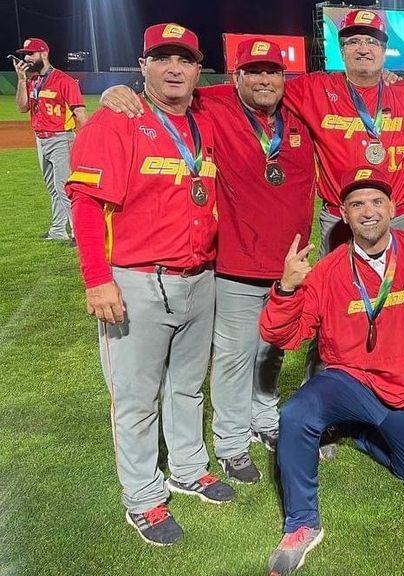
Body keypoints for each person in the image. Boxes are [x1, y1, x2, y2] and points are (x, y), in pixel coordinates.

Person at [97, 38, 317, 484]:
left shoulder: (300, 115)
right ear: (234, 77)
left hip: (290, 264)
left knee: (272, 349)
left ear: (284, 78)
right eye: (252, 71)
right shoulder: (212, 106)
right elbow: (167, 91)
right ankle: (232, 441)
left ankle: (263, 418)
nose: (263, 80)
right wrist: (113, 92)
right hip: (235, 263)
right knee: (235, 356)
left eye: (271, 71)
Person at [64, 22, 234, 547]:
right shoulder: (118, 118)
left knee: (186, 386)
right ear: (143, 67)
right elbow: (87, 204)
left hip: (198, 276)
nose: (175, 68)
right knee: (135, 398)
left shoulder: (205, 115)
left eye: (184, 59)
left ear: (199, 67)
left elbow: (263, 88)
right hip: (137, 280)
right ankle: (142, 496)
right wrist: (97, 281)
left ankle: (187, 466)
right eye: (162, 59)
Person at [259, 167, 404, 576]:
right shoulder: (328, 270)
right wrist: (286, 289)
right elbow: (283, 334)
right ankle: (302, 524)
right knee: (296, 414)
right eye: (357, 205)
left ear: (393, 208)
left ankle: (354, 431)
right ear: (344, 214)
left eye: (377, 202)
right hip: (349, 380)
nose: (368, 212)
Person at [283, 9, 404, 254]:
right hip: (341, 217)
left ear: (384, 51)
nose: (363, 49)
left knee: (403, 289)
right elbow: (264, 89)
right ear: (341, 51)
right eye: (353, 42)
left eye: (372, 41)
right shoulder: (314, 88)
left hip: (398, 215)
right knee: (340, 290)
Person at [12, 37, 87, 243]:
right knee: (53, 188)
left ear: (44, 54)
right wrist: (20, 80)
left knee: (64, 187)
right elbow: (21, 108)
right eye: (25, 55)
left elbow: (80, 112)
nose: (26, 58)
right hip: (41, 140)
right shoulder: (33, 80)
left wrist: (88, 139)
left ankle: (79, 233)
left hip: (61, 139)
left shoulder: (64, 81)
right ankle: (57, 231)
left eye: (30, 54)